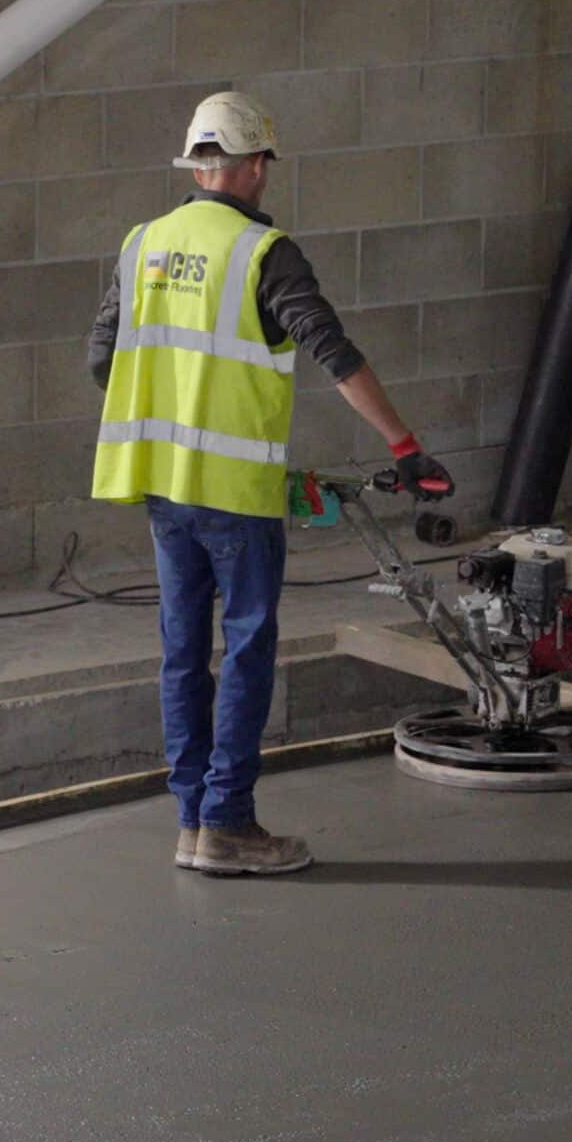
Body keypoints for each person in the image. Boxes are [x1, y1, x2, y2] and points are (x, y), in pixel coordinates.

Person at [88, 92, 453, 877]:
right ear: (254, 167)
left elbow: (101, 361)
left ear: (196, 165)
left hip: (160, 485)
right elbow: (334, 352)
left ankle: (193, 822)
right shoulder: (265, 252)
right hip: (235, 494)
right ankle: (228, 822)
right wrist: (406, 444)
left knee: (182, 651)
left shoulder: (140, 243)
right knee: (247, 645)